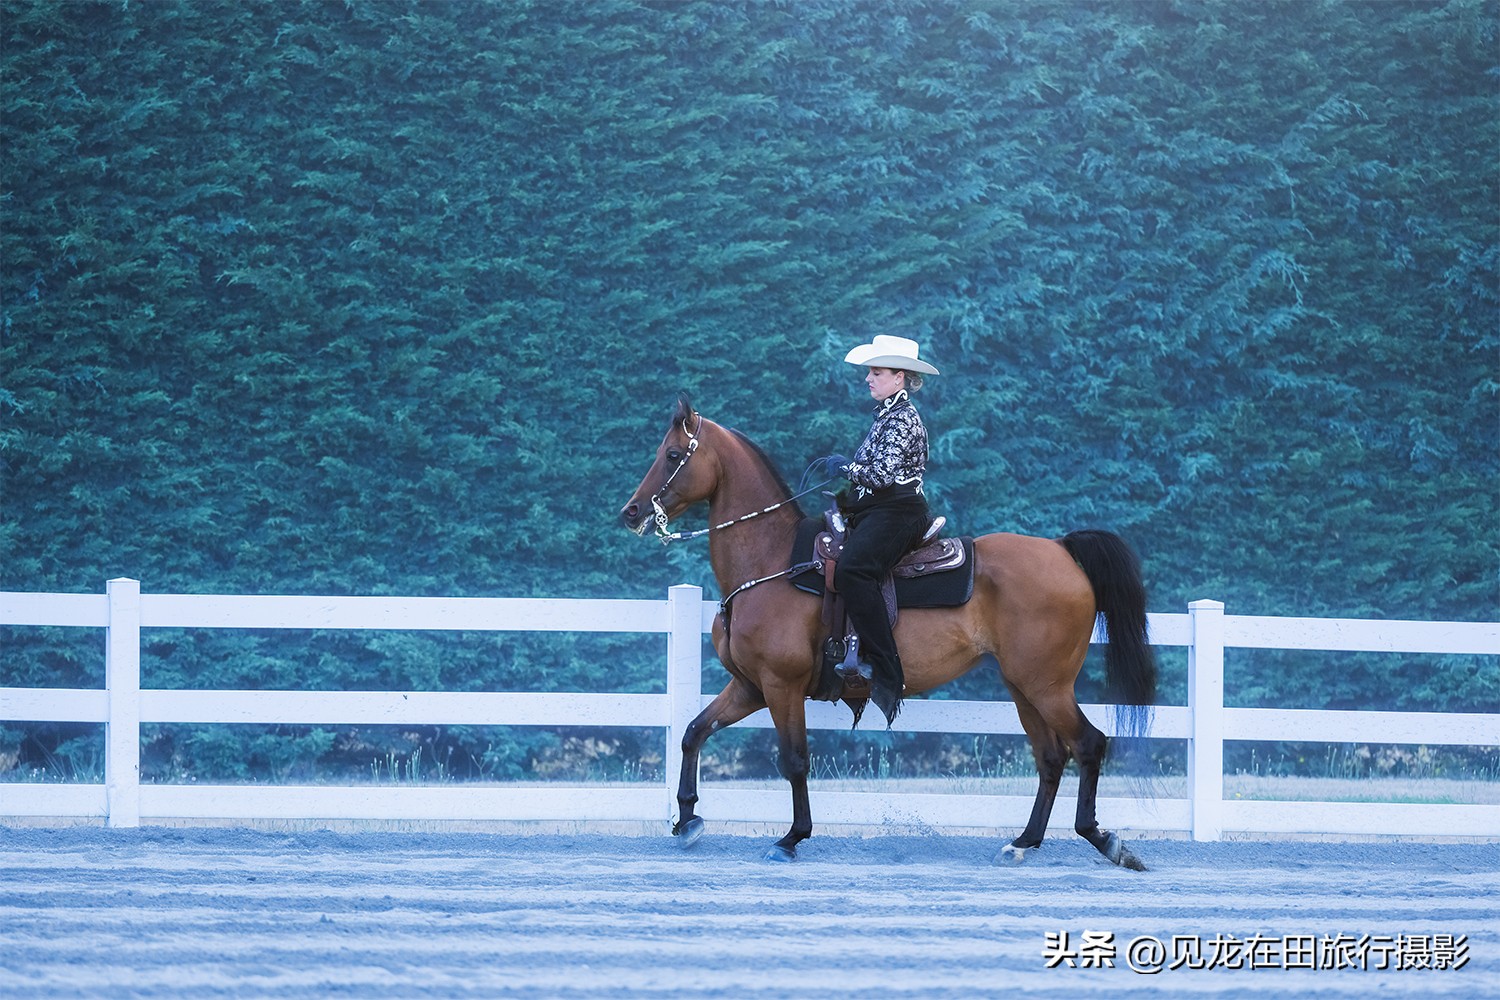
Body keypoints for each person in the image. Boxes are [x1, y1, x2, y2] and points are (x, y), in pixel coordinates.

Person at [833, 334, 939, 726]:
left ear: (900, 377)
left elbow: (879, 475)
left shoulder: (903, 420)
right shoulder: (886, 416)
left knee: (853, 570)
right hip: (881, 509)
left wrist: (844, 468)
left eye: (876, 372)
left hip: (900, 512)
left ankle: (886, 667)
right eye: (870, 372)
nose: (868, 379)